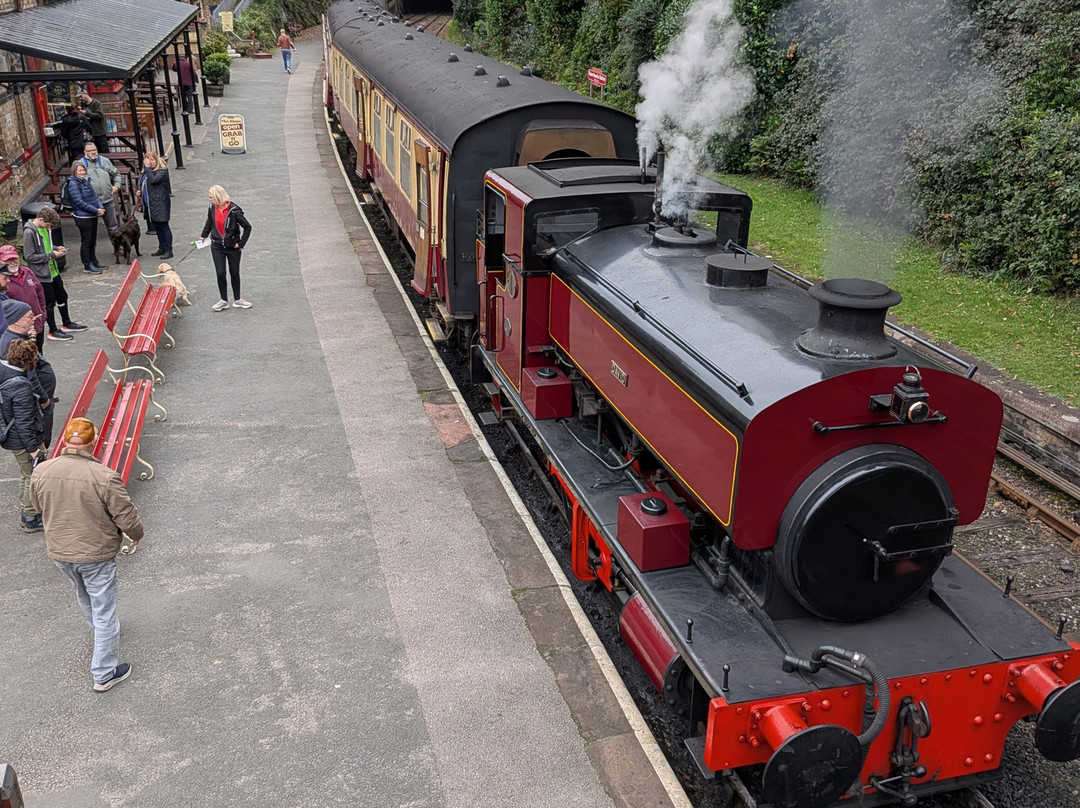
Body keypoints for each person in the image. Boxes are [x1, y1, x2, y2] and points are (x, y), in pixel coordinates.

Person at [31, 417, 144, 693]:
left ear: (65, 440)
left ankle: (100, 634)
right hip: (96, 552)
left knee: (83, 594)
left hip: (60, 550)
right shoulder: (104, 476)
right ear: (94, 442)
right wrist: (136, 534)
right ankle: (104, 672)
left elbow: (36, 505)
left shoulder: (42, 471)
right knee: (105, 608)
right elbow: (126, 516)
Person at [0, 339, 47, 532]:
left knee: (25, 473)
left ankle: (27, 510)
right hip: (22, 439)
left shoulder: (4, 370)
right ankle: (30, 516)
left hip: (12, 436)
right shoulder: (21, 387)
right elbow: (24, 422)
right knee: (32, 475)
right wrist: (34, 449)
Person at [1, 300, 59, 451]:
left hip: (37, 398)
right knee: (41, 438)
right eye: (30, 316)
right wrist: (44, 398)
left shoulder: (18, 337)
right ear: (17, 321)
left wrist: (31, 338)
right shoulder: (12, 343)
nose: (34, 319)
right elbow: (30, 375)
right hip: (35, 401)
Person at [22, 206, 85, 341]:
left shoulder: (44, 229)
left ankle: (66, 323)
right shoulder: (29, 233)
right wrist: (51, 255)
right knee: (49, 303)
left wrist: (56, 248)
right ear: (40, 219)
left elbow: (45, 246)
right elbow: (29, 257)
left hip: (53, 271)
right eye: (48, 225)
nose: (49, 228)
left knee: (62, 296)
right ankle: (52, 330)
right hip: (41, 275)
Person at [200, 185, 253, 311]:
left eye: (212, 197)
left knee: (234, 273)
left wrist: (240, 244)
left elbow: (247, 227)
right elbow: (210, 221)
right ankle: (223, 300)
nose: (210, 200)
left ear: (218, 197)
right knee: (220, 272)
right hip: (217, 246)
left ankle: (237, 299)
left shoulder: (234, 211)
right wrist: (204, 235)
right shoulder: (212, 207)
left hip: (232, 247)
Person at [0, 244, 48, 351]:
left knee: (39, 355)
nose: (12, 262)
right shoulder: (2, 281)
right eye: (8, 260)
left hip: (36, 325)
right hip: (19, 331)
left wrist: (43, 313)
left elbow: (40, 292)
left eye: (14, 259)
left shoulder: (28, 272)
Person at [66, 163, 106, 275]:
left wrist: (100, 207)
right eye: (79, 171)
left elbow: (94, 196)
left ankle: (94, 261)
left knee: (93, 241)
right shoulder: (73, 183)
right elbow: (78, 202)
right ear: (74, 172)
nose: (82, 173)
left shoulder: (86, 181)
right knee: (86, 241)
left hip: (92, 214)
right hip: (83, 217)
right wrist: (95, 210)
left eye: (83, 170)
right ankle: (87, 265)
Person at [76, 142, 121, 237]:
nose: (93, 152)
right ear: (85, 152)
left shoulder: (105, 161)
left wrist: (116, 186)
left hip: (107, 199)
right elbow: (76, 182)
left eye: (94, 150)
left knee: (113, 226)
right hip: (90, 203)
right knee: (90, 230)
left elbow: (116, 174)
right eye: (90, 151)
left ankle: (118, 248)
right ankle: (91, 251)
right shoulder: (80, 164)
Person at [139, 152, 173, 259]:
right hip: (151, 204)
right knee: (157, 227)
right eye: (148, 160)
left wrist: (148, 168)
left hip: (160, 204)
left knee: (164, 226)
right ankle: (162, 247)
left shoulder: (162, 171)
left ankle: (168, 250)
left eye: (152, 160)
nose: (150, 162)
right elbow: (143, 183)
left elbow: (153, 180)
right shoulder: (147, 172)